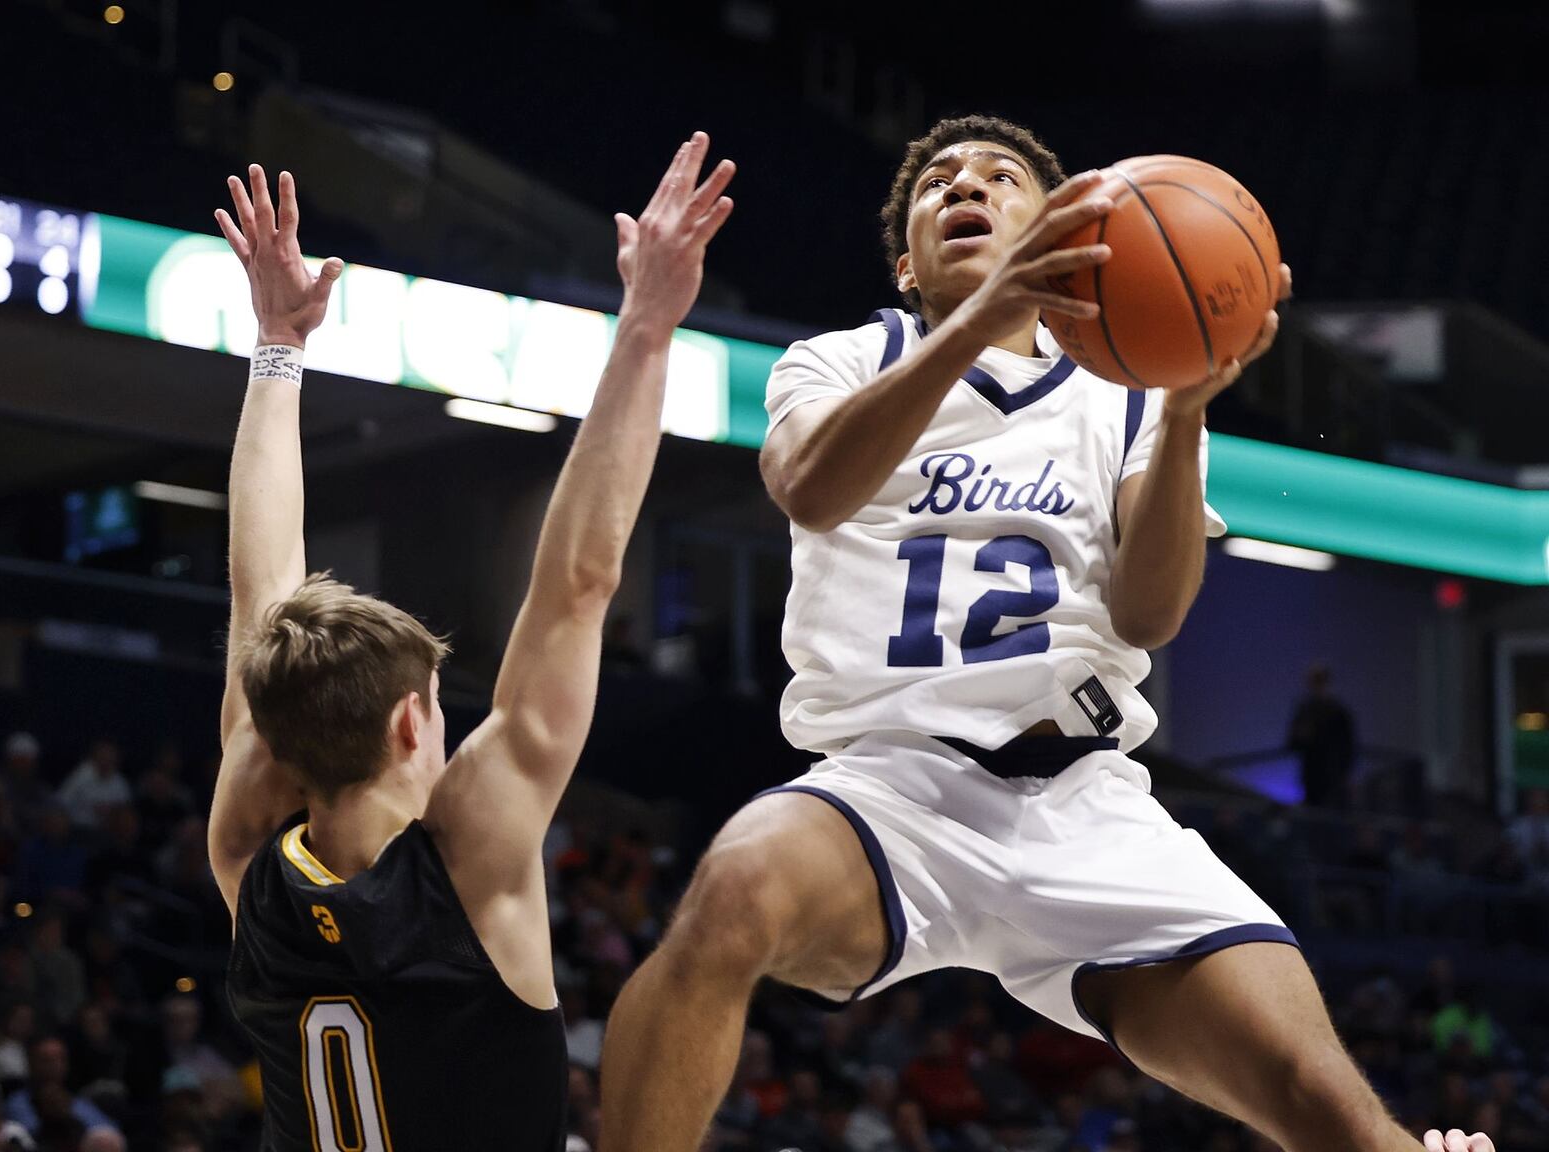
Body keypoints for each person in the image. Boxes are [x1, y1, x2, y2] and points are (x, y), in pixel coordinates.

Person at [599, 114, 1491, 1152]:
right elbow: (807, 486)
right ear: (906, 263)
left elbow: (1149, 615)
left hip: (1085, 804)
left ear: (1070, 233)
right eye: (938, 184)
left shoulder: (1127, 400)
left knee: (1322, 1097)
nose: (963, 186)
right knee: (733, 890)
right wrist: (980, 318)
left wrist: (1189, 406)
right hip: (891, 790)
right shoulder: (836, 362)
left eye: (1000, 177)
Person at [208, 137, 734, 1149]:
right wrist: (646, 328)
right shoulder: (474, 859)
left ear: (271, 732)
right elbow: (579, 588)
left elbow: (257, 591)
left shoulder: (250, 857)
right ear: (413, 721)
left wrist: (277, 344)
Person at [1287, 663, 1356, 808]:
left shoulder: (1337, 711)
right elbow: (1292, 742)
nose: (1317, 685)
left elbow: (1348, 745)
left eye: (1320, 680)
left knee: (1329, 816)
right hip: (1312, 775)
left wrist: (1344, 773)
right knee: (1316, 816)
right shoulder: (1305, 710)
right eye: (1315, 680)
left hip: (1332, 775)